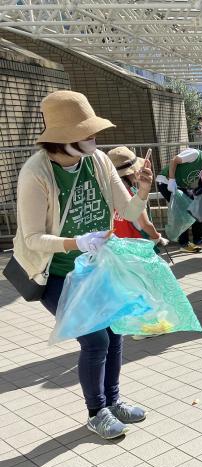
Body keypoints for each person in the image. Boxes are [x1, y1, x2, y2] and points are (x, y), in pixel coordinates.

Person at [13, 90, 151, 439]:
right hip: (55, 272)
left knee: (115, 332)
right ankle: (96, 412)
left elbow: (130, 212)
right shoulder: (36, 174)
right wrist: (76, 242)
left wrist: (144, 191)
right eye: (86, 133)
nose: (94, 138)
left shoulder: (100, 161)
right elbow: (31, 239)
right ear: (62, 139)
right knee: (95, 340)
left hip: (95, 267)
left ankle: (113, 401)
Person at [107, 146, 163, 243]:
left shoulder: (107, 192)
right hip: (136, 245)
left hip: (115, 245)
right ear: (133, 170)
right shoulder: (135, 195)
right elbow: (145, 224)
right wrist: (157, 237)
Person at [156, 147, 202, 252]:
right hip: (166, 182)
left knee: (197, 209)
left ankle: (198, 240)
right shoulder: (195, 154)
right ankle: (184, 244)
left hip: (181, 186)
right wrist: (171, 179)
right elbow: (174, 160)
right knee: (182, 212)